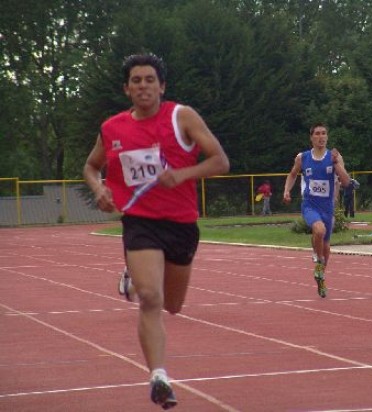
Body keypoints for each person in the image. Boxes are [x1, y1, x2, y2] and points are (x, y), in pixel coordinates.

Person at [83, 53, 229, 409]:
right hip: (139, 221)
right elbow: (90, 166)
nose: (143, 86)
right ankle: (159, 376)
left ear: (162, 86)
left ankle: (131, 280)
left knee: (174, 306)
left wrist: (182, 174)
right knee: (152, 299)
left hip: (180, 224)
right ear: (127, 89)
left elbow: (220, 161)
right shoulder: (112, 128)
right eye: (136, 81)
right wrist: (99, 188)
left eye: (150, 80)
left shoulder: (182, 117)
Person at [283, 123, 351, 298]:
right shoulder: (303, 157)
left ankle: (320, 273)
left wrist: (337, 164)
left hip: (327, 207)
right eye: (318, 134)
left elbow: (345, 182)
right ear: (311, 137)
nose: (321, 137)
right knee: (318, 229)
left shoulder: (335, 157)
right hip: (310, 204)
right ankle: (316, 255)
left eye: (324, 133)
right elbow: (292, 175)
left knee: (326, 246)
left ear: (327, 137)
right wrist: (287, 190)